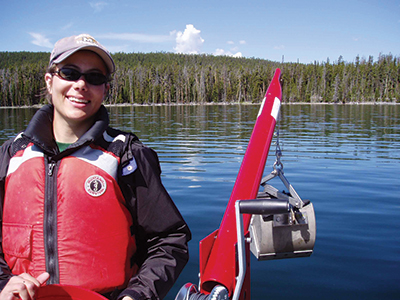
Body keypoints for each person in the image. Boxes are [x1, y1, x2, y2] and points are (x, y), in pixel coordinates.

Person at [0, 34, 191, 300]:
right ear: (49, 80)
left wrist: (137, 295)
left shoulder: (128, 157)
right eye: (69, 73)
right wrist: (4, 284)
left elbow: (169, 241)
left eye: (94, 78)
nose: (81, 85)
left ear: (105, 89)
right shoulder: (10, 156)